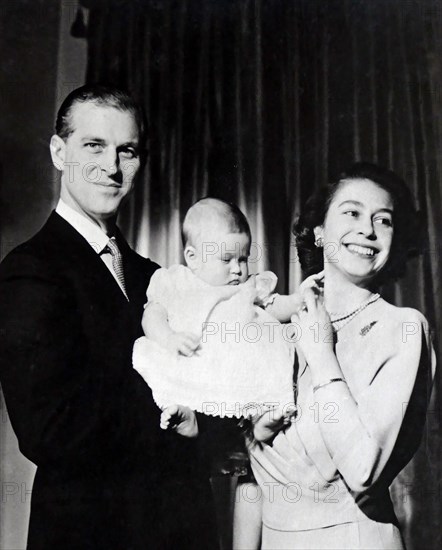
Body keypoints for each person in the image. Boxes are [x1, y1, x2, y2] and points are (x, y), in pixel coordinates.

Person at [0, 85, 221, 550]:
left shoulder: (153, 277)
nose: (112, 167)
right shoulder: (30, 270)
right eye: (94, 146)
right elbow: (50, 428)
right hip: (91, 535)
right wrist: (179, 412)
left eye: (128, 151)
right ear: (59, 153)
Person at [249, 162, 436, 549]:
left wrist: (322, 356)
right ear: (319, 232)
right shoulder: (274, 325)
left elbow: (363, 471)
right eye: (351, 212)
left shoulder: (401, 329)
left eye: (383, 220)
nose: (367, 229)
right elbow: (246, 470)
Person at [134, 197, 320, 549]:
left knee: (269, 375)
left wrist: (297, 301)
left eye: (243, 259)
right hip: (199, 362)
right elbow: (151, 316)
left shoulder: (247, 287)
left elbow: (275, 305)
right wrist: (169, 337)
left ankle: (263, 421)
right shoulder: (174, 282)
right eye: (226, 260)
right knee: (181, 392)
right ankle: (186, 416)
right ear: (193, 257)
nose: (237, 269)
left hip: (241, 368)